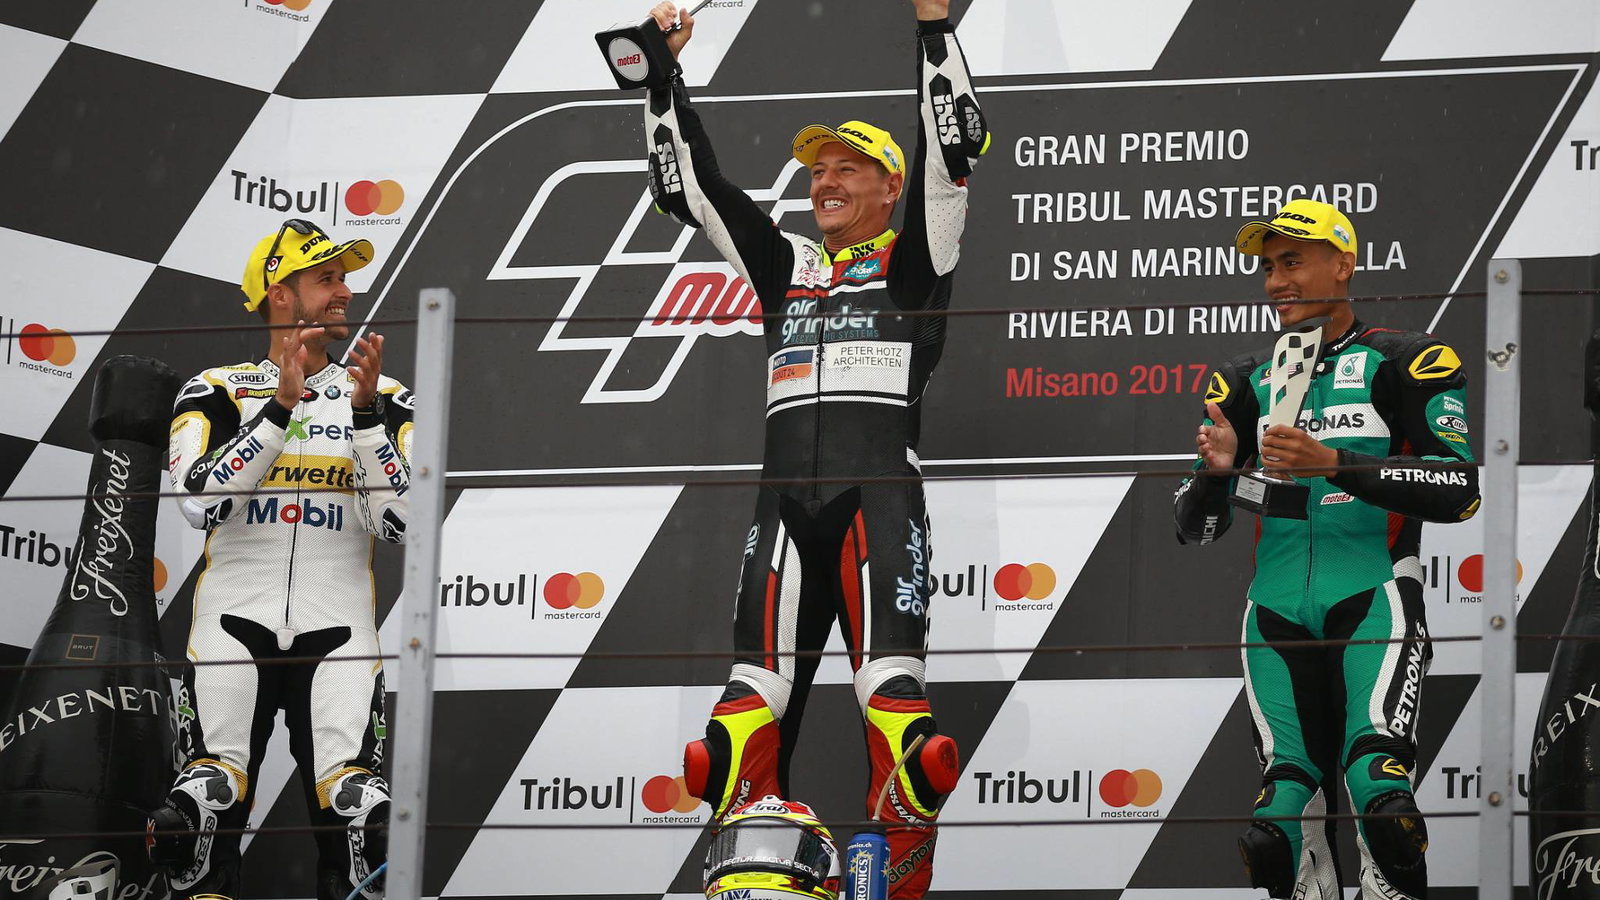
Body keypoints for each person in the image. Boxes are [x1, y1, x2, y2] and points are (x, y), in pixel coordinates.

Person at [640, 2, 987, 895]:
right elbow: (693, 192)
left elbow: (951, 151)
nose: (824, 181)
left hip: (879, 503)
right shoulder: (786, 266)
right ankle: (753, 885)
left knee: (904, 730)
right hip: (783, 510)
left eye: (847, 168)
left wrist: (934, 28)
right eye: (816, 170)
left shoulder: (917, 259)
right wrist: (660, 78)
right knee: (732, 738)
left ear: (889, 188)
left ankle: (898, 881)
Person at [1174, 199, 1481, 900]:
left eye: (1292, 261)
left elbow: (1459, 490)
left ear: (1344, 265)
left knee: (1382, 798)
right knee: (1278, 821)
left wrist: (1335, 463)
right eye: (1267, 267)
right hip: (1273, 612)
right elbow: (1196, 528)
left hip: (1374, 596)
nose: (1276, 282)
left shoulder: (1406, 359)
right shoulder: (1245, 378)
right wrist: (1216, 476)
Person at [148, 219, 413, 900]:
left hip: (340, 629)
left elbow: (401, 522)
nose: (344, 291)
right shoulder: (216, 388)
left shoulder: (384, 396)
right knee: (199, 809)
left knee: (364, 818)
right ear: (280, 294)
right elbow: (199, 501)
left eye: (344, 277)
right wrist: (279, 410)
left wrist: (363, 420)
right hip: (233, 622)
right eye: (327, 277)